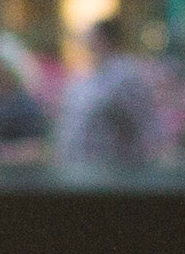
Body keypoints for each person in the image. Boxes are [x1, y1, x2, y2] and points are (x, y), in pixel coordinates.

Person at [56, 17, 162, 175]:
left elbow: (140, 125)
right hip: (80, 168)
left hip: (113, 171)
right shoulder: (88, 75)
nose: (88, 42)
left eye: (93, 37)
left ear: (105, 39)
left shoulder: (126, 76)